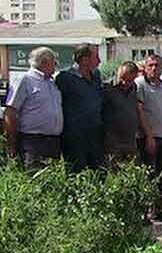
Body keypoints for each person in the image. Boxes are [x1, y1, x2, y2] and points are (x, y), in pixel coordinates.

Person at [3, 47, 63, 168]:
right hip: (32, 141)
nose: (56, 66)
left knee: (51, 181)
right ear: (44, 62)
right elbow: (10, 112)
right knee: (34, 177)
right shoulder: (25, 80)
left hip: (53, 141)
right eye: (54, 62)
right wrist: (11, 143)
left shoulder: (51, 83)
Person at [135, 54, 162, 222]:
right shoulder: (140, 85)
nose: (154, 68)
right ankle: (144, 211)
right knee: (148, 174)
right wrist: (149, 135)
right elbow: (139, 111)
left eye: (157, 65)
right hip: (148, 138)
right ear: (145, 67)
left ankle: (159, 209)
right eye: (151, 65)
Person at [55, 43, 103, 172]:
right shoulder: (65, 77)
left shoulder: (96, 77)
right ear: (84, 59)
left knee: (97, 174)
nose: (99, 61)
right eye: (96, 56)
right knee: (75, 174)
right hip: (74, 137)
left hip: (95, 136)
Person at [102, 62, 140, 161]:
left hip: (130, 140)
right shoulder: (107, 88)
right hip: (112, 141)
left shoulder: (134, 88)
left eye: (129, 81)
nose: (124, 83)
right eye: (122, 78)